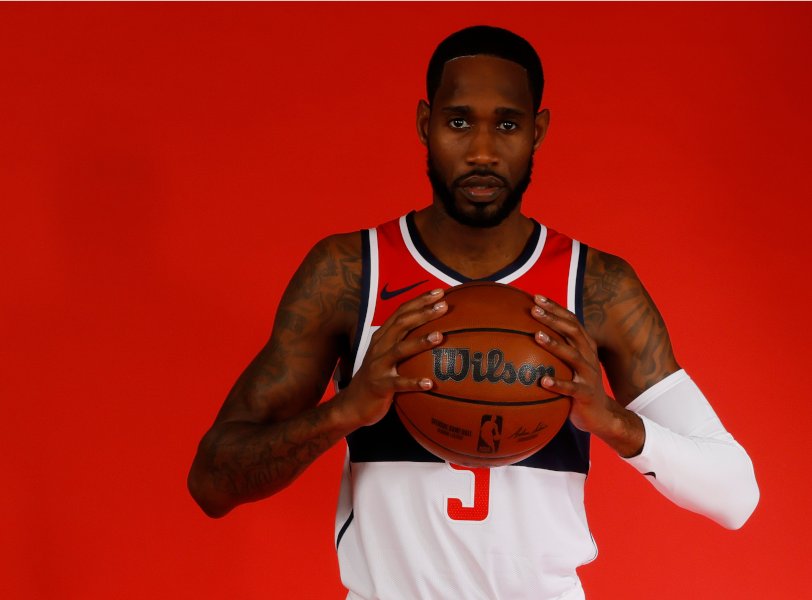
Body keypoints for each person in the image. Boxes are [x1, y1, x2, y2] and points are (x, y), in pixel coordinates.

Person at [188, 25, 759, 600]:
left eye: (506, 124)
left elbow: (737, 496)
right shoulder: (350, 273)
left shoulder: (597, 288)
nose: (482, 151)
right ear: (424, 123)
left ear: (538, 131)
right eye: (458, 121)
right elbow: (213, 482)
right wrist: (344, 412)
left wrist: (609, 418)